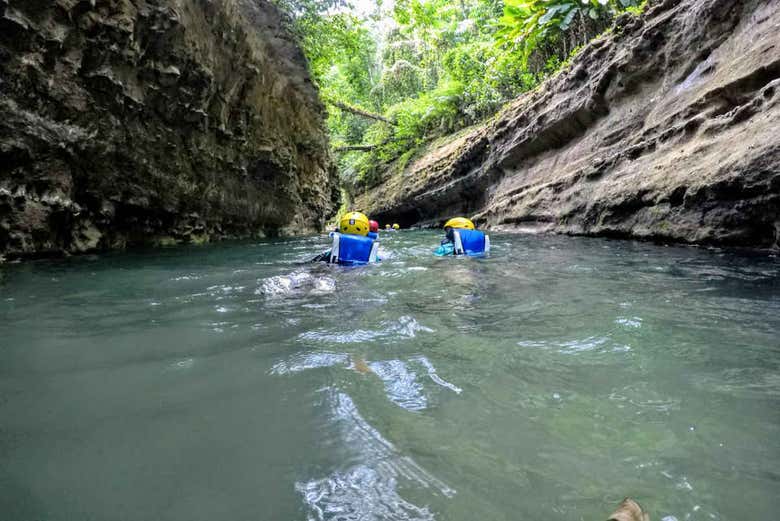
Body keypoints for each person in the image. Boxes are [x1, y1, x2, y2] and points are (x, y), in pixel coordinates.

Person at [312, 211, 380, 265]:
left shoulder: (333, 250)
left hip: (335, 270)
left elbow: (316, 260)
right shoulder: (372, 253)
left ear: (341, 229)